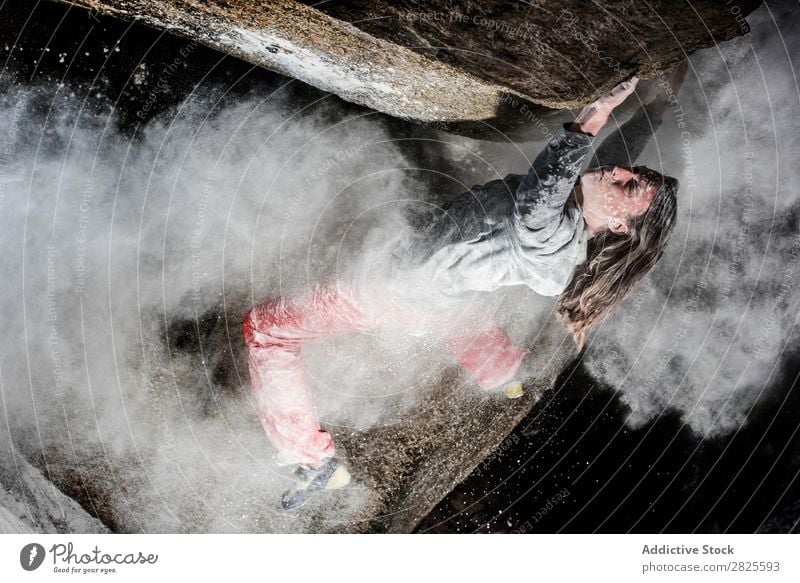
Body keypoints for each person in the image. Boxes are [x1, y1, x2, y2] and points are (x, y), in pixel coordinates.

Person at [242, 75, 680, 510]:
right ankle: (500, 370)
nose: (619, 173)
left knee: (266, 330)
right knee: (459, 293)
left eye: (630, 185)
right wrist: (653, 114)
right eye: (630, 173)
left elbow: (545, 188)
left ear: (621, 226)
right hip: (440, 294)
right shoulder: (580, 220)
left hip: (393, 292)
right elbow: (603, 168)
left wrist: (594, 115)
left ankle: (309, 459)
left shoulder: (549, 236)